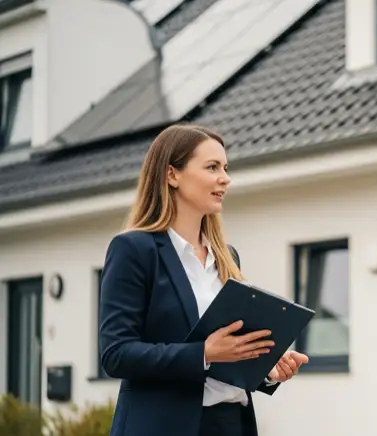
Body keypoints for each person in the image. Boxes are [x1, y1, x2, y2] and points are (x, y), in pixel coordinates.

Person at [99, 124, 309, 436]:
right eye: (212, 167)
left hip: (231, 424)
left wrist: (263, 368)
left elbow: (225, 358)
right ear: (172, 174)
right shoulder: (134, 250)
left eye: (225, 168)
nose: (225, 178)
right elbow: (116, 354)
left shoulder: (227, 257)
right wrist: (204, 353)